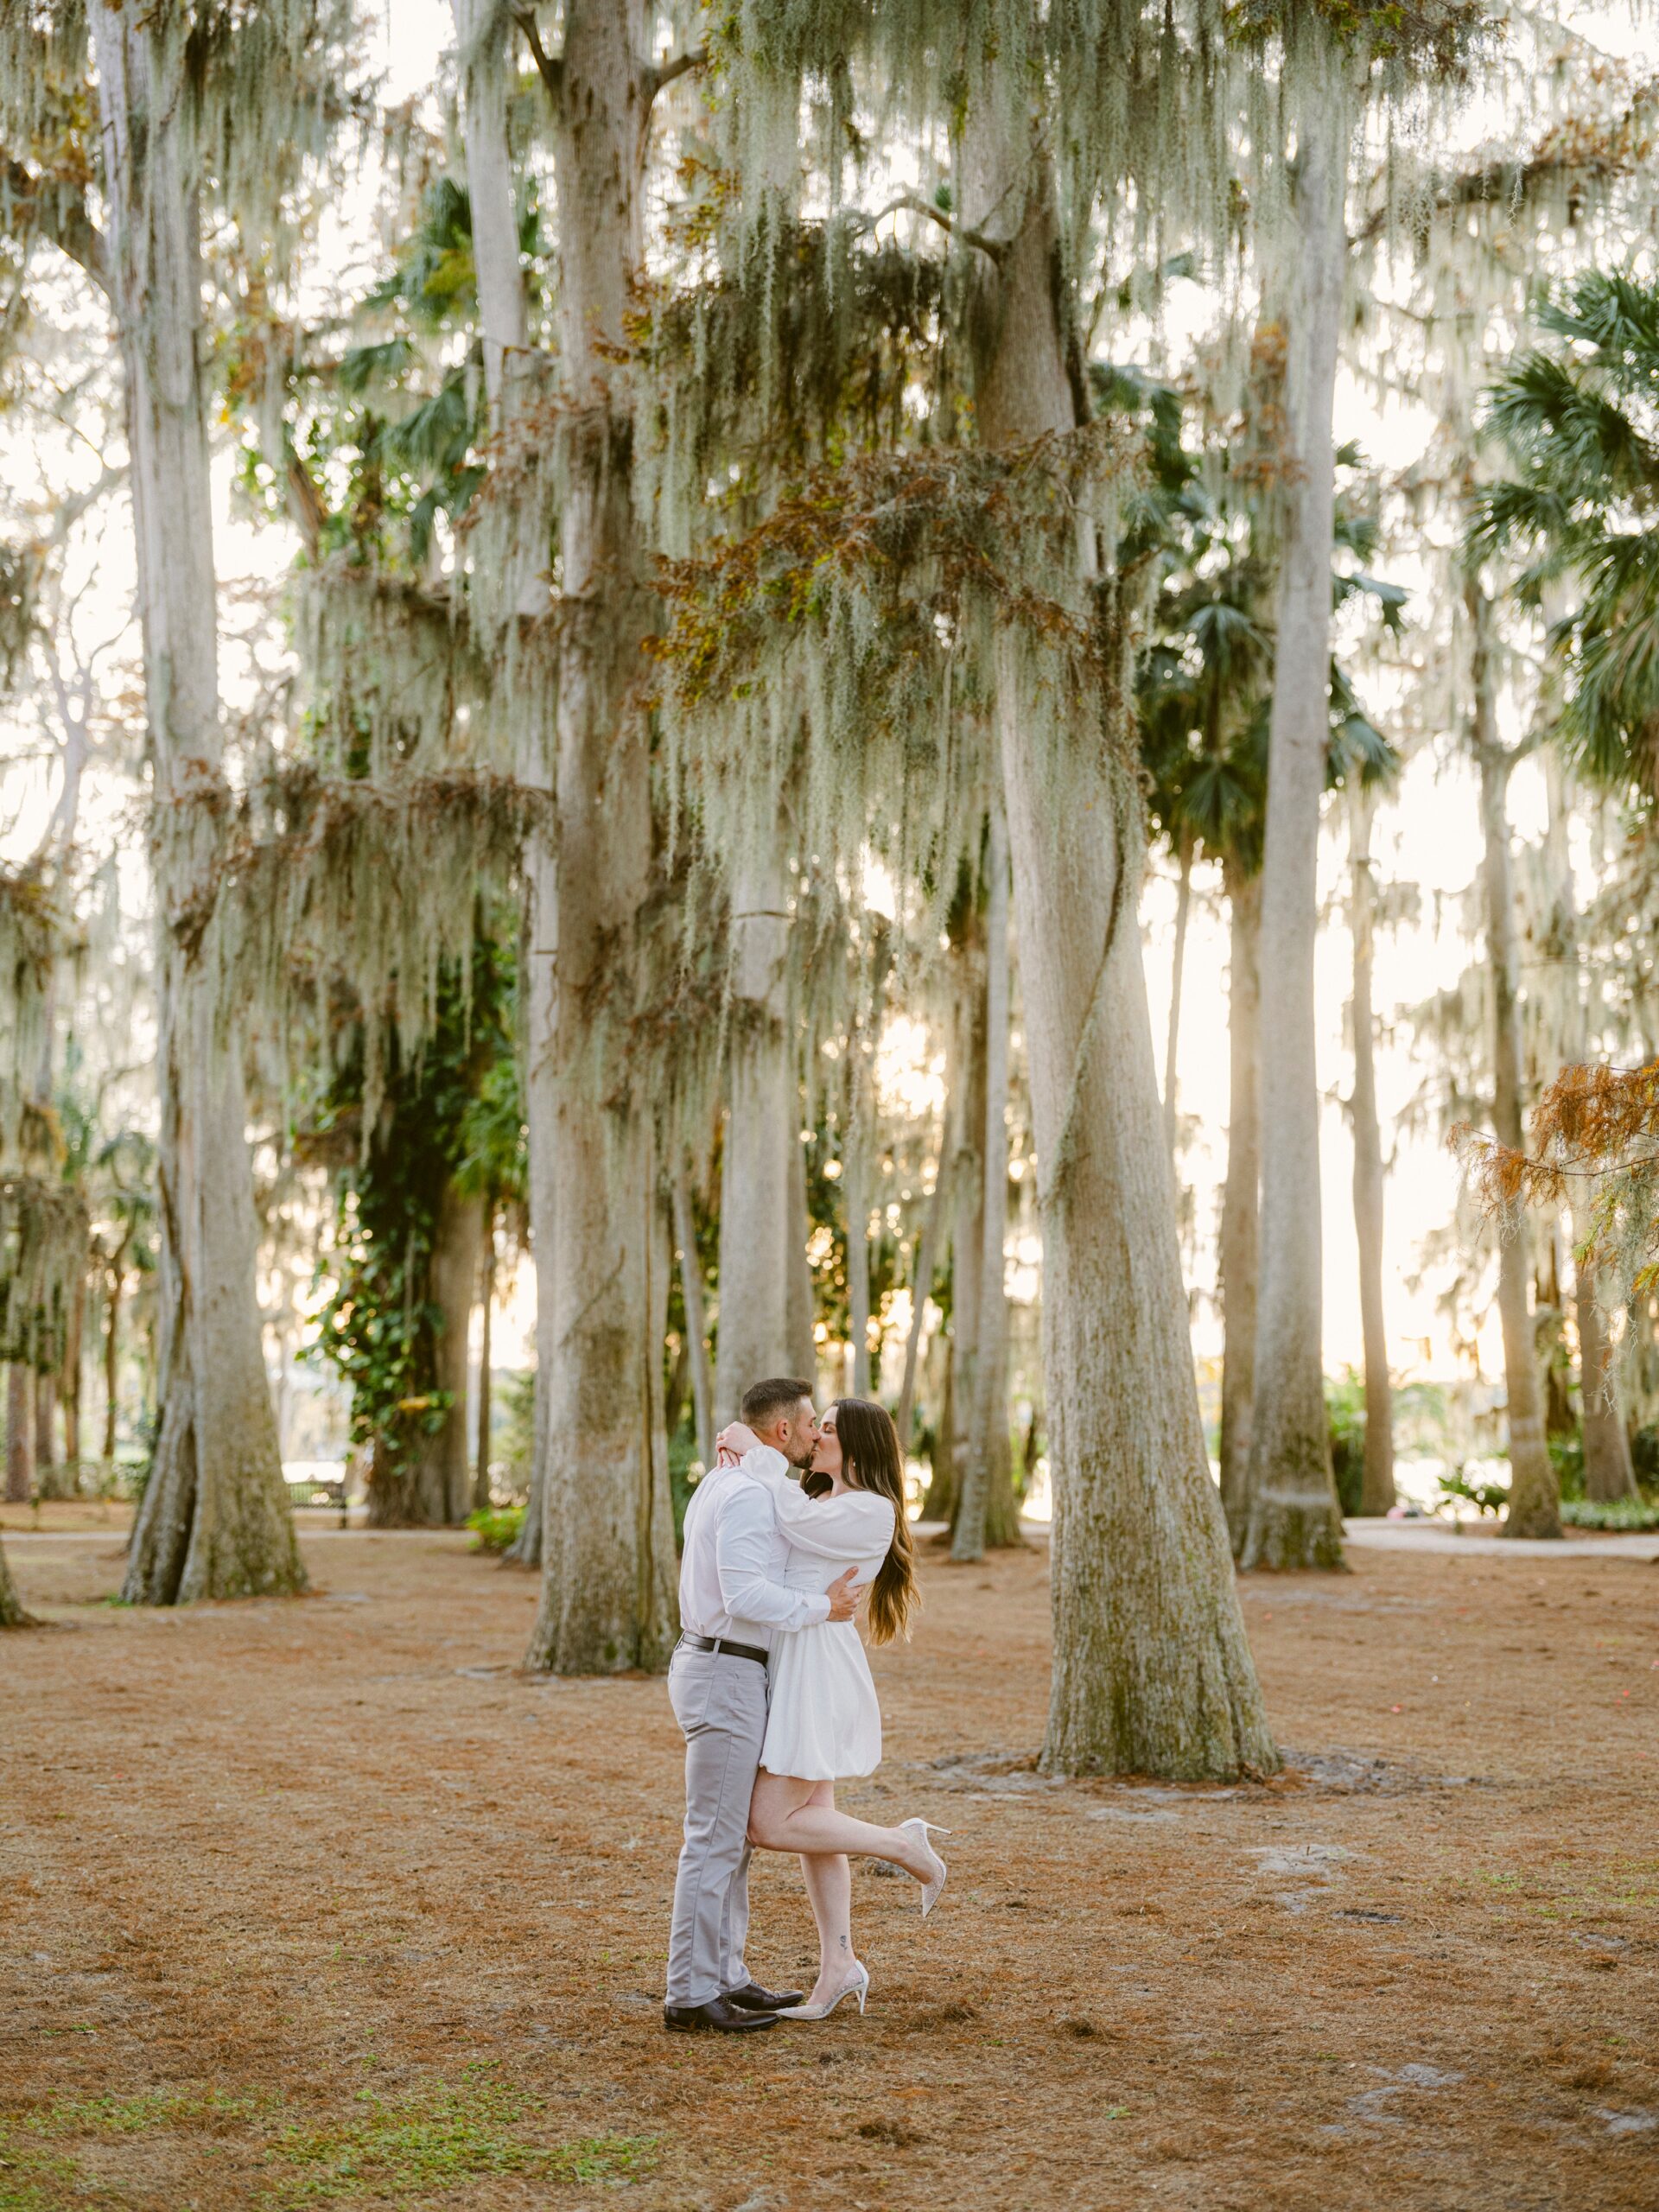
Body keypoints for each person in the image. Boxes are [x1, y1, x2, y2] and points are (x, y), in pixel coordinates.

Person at [717, 1396, 950, 2023]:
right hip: (793, 1662)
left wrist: (756, 1449)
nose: (815, 1436)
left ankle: (903, 1843)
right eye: (817, 1426)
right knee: (815, 1820)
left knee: (768, 1824)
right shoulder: (824, 1502)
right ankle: (838, 1965)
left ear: (858, 1446)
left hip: (817, 1671)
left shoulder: (871, 1511)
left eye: (827, 1429)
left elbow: (788, 1520)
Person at [662, 1376, 860, 2035]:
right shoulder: (746, 1491)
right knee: (714, 1839)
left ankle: (726, 1975)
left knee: (731, 1839)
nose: (814, 1434)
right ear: (783, 1431)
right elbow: (745, 1594)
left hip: (729, 1667)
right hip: (725, 1669)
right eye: (809, 1425)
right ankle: (690, 1994)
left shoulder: (735, 1478)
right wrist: (821, 1609)